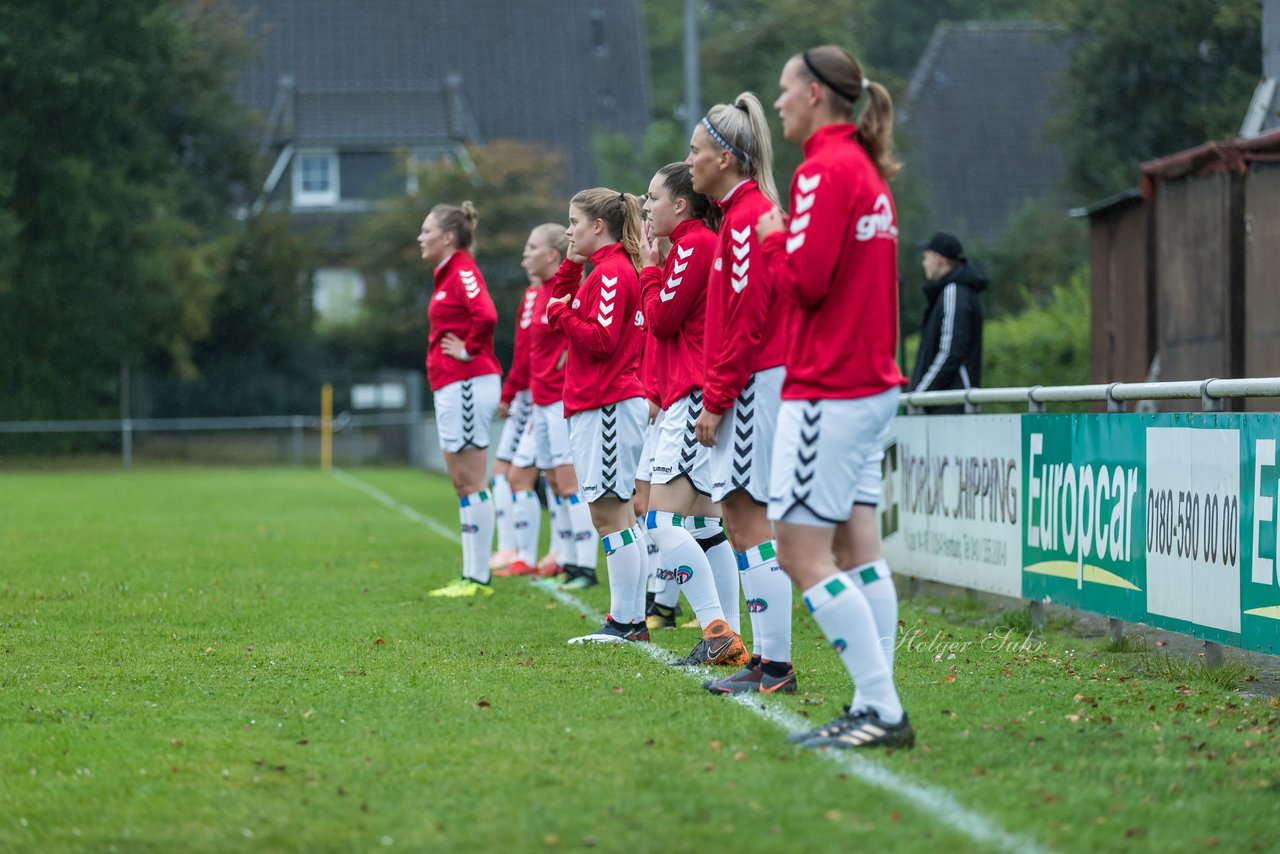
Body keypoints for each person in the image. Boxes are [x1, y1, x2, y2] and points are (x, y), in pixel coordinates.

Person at [756, 45, 914, 748]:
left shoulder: (823, 169)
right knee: (857, 548)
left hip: (832, 387)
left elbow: (808, 282)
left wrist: (774, 238)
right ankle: (873, 701)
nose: (780, 100)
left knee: (798, 551)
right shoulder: (867, 171)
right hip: (869, 382)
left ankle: (880, 708)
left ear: (816, 94)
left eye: (787, 89)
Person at [687, 93, 797, 691]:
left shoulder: (749, 217)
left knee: (751, 520)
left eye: (698, 151)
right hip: (749, 383)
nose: (691, 161)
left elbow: (748, 322)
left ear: (726, 158)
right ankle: (765, 656)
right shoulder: (739, 215)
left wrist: (717, 396)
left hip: (753, 385)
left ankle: (775, 665)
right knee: (740, 519)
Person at [639, 162, 749, 668]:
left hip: (695, 397)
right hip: (691, 392)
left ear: (679, 205)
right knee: (706, 527)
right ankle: (727, 633)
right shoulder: (695, 243)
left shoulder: (693, 244)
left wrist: (649, 267)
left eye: (653, 197)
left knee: (660, 522)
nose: (645, 207)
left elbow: (662, 320)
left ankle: (715, 628)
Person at [545, 189, 651, 642]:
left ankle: (626, 622)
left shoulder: (610, 274)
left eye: (573, 221)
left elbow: (602, 339)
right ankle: (628, 620)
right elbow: (562, 305)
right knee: (617, 515)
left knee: (611, 516)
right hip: (599, 403)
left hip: (607, 404)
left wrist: (563, 317)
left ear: (597, 225)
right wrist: (568, 270)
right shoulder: (599, 270)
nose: (568, 230)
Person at [418, 201, 503, 598]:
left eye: (427, 230)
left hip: (467, 381)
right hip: (453, 383)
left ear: (448, 236)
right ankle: (471, 574)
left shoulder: (463, 269)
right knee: (461, 482)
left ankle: (478, 577)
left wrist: (469, 350)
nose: (421, 237)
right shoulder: (446, 273)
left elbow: (485, 314)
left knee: (471, 481)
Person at [517, 223, 597, 584]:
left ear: (552, 254)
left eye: (532, 246)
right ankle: (566, 560)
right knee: (553, 483)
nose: (525, 254)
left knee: (569, 484)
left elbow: (585, 330)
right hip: (541, 399)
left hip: (561, 400)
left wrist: (568, 356)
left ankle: (585, 566)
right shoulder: (540, 292)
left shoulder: (567, 290)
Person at [489, 266, 541, 576]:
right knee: (503, 473)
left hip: (539, 397)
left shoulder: (554, 292)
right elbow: (524, 352)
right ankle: (513, 548)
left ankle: (530, 553)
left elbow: (535, 354)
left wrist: (510, 392)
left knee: (558, 481)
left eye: (532, 249)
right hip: (526, 394)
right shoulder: (532, 295)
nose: (525, 258)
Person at [908, 231, 987, 414]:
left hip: (950, 404)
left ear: (939, 259)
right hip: (947, 403)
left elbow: (950, 351)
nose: (924, 263)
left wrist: (920, 395)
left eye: (926, 258)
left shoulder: (954, 292)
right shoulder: (952, 291)